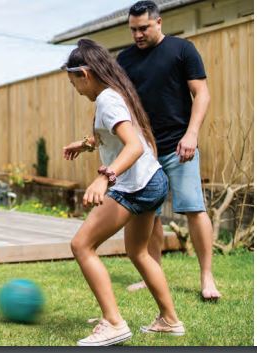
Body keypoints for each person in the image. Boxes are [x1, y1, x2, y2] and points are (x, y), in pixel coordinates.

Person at [62, 39, 184, 347]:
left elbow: (134, 145)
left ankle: (114, 323)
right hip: (152, 179)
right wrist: (87, 143)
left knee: (82, 245)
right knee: (139, 252)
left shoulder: (107, 99)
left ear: (85, 74)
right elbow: (114, 133)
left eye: (73, 81)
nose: (74, 89)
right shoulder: (115, 94)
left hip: (135, 185)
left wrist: (105, 177)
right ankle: (170, 320)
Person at [115, 0, 221, 300]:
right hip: (145, 150)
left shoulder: (182, 50)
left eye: (144, 28)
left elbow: (201, 93)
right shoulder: (125, 60)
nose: (138, 34)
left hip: (179, 145)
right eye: (133, 30)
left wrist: (191, 134)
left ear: (159, 22)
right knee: (149, 214)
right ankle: (153, 275)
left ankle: (207, 277)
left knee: (194, 208)